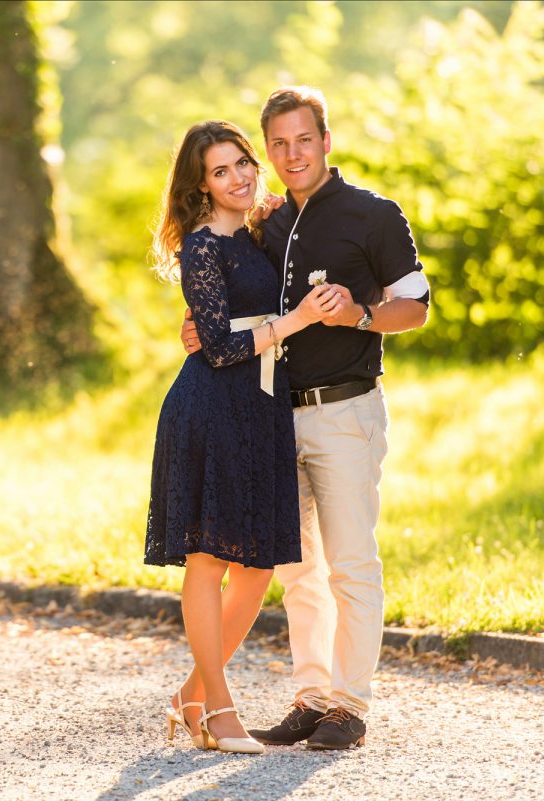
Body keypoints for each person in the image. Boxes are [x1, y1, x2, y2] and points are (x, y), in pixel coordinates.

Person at [181, 87, 430, 750]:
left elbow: (417, 306)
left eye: (304, 139)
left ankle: (348, 704)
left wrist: (360, 314)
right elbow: (231, 292)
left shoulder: (374, 214)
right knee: (299, 573)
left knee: (351, 564)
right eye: (280, 143)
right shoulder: (266, 222)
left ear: (326, 140)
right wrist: (200, 325)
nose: (293, 154)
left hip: (346, 411)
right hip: (271, 415)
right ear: (268, 150)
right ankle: (312, 695)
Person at [145, 120, 341, 755]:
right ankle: (220, 710)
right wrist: (297, 320)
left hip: (261, 410)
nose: (237, 178)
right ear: (200, 185)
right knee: (209, 560)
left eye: (243, 164)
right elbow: (221, 348)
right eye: (220, 171)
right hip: (211, 408)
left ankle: (190, 695)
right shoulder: (201, 247)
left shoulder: (259, 232)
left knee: (256, 569)